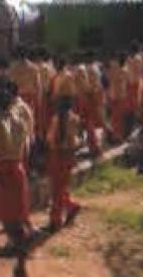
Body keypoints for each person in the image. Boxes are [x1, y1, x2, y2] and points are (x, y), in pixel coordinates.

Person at [0, 82, 31, 277]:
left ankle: (19, 253)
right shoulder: (19, 122)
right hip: (18, 168)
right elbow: (25, 147)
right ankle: (20, 257)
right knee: (17, 214)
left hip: (2, 170)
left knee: (6, 215)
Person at [46, 96, 81, 230]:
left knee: (56, 189)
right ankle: (70, 206)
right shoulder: (74, 119)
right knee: (61, 186)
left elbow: (50, 138)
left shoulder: (56, 119)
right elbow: (75, 139)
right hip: (69, 154)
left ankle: (56, 220)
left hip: (57, 155)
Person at [107, 53, 128, 143]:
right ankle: (117, 136)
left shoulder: (114, 69)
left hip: (113, 95)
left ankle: (115, 135)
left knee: (114, 117)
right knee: (118, 117)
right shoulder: (123, 71)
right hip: (119, 96)